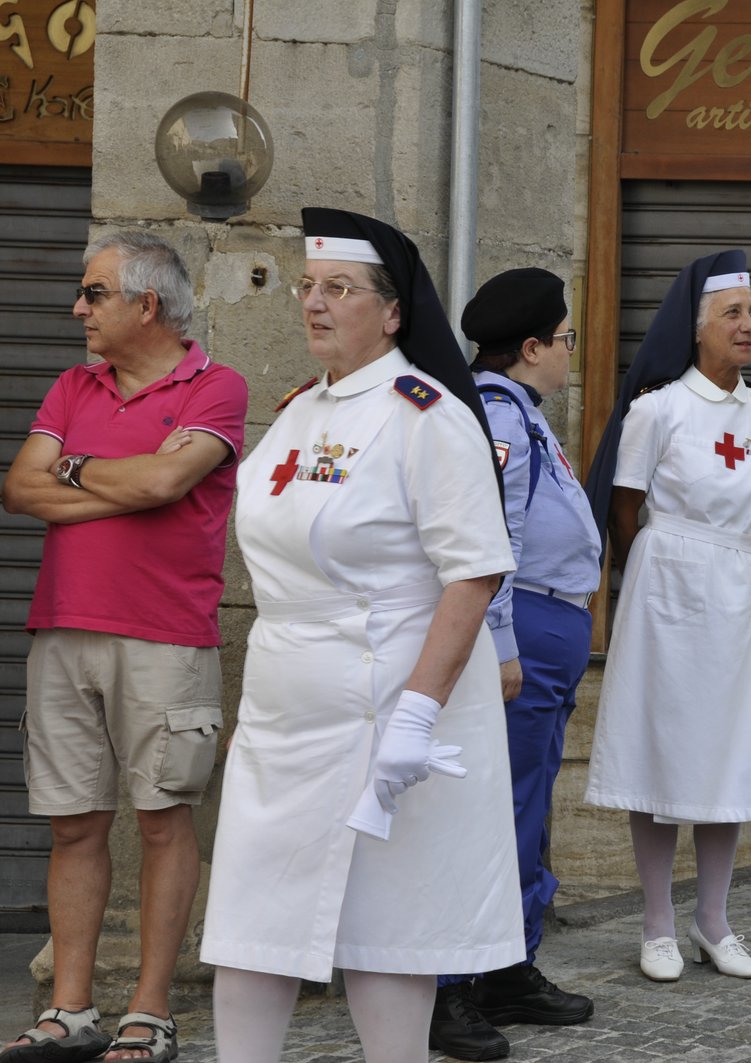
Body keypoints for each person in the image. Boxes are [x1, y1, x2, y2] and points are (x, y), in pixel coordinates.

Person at [199, 208, 524, 1062]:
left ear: (391, 311)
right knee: (251, 920)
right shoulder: (301, 410)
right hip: (287, 711)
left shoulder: (428, 416)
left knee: (392, 929)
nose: (313, 303)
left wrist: (418, 711)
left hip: (392, 711)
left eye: (338, 288)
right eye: (308, 286)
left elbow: (475, 571)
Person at [0, 231, 247, 1063]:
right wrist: (118, 474)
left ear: (148, 304)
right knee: (72, 825)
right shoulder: (74, 383)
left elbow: (165, 483)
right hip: (63, 627)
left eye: (94, 293)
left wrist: (74, 469)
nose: (77, 308)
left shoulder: (218, 386)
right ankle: (70, 1011)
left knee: (164, 820)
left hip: (166, 637)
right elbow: (19, 488)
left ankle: (151, 1010)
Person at [583, 250, 751, 983]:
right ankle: (655, 923)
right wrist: (654, 572)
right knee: (661, 747)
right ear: (697, 327)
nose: (748, 326)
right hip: (669, 587)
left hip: (741, 589)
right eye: (732, 314)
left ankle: (714, 919)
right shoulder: (657, 408)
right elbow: (623, 506)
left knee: (727, 752)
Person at [424, 268, 600, 1056]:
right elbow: (492, 543)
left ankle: (507, 962)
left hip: (545, 630)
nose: (570, 355)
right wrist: (501, 644)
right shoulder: (498, 415)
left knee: (525, 807)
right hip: (520, 630)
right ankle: (449, 987)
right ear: (531, 348)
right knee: (495, 810)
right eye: (565, 341)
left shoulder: (521, 414)